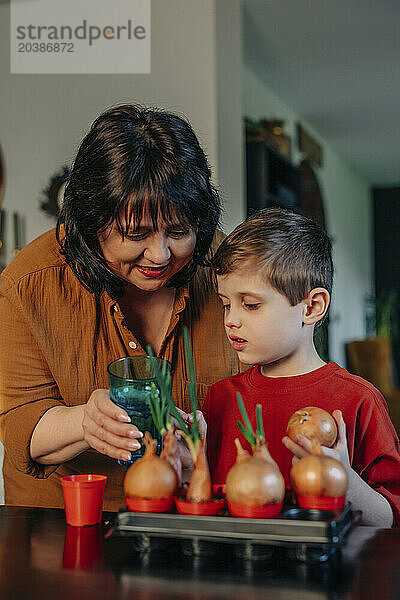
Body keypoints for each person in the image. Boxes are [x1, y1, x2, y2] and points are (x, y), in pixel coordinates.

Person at [0, 105, 238, 510]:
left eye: (179, 231)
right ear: (94, 222)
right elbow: (20, 424)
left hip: (198, 515)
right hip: (62, 526)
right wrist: (83, 422)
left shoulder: (231, 270)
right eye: (136, 234)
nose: (160, 254)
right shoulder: (28, 284)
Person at [203, 207, 400, 527]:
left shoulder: (358, 400)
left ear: (311, 307)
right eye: (226, 303)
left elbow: (391, 519)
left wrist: (345, 479)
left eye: (250, 304)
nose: (230, 319)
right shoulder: (222, 397)